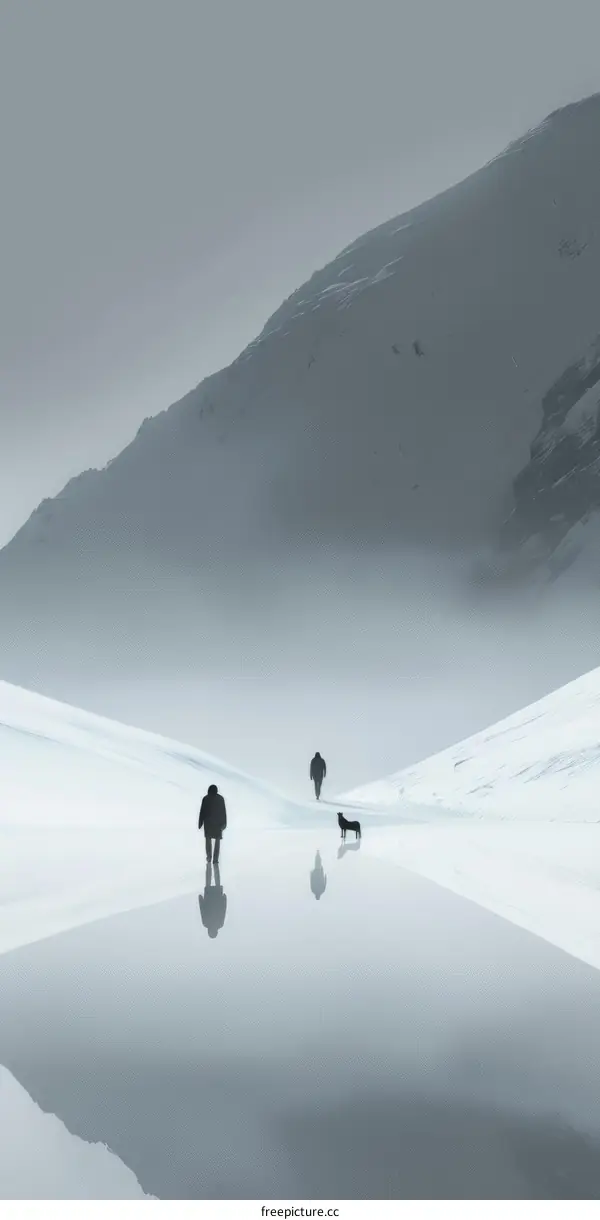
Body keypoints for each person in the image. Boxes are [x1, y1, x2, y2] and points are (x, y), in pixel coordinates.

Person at [198, 783, 227, 864]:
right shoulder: (220, 799)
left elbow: (202, 812)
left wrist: (200, 823)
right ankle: (215, 859)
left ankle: (209, 857)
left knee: (208, 840)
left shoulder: (206, 798)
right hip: (218, 824)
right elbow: (223, 812)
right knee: (217, 840)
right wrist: (224, 823)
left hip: (208, 824)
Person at [198, 862, 227, 939]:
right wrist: (200, 899)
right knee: (208, 880)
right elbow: (202, 909)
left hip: (217, 896)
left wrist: (224, 898)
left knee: (217, 880)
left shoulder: (220, 923)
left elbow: (223, 910)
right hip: (209, 896)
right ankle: (209, 864)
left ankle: (214, 864)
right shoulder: (206, 923)